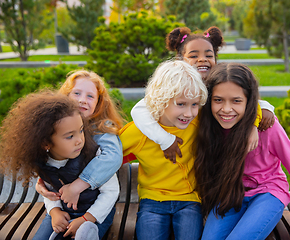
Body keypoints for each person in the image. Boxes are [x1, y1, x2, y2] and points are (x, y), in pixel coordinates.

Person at [194, 62, 290, 240]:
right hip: (230, 193)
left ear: (249, 101)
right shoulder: (208, 125)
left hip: (268, 193)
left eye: (236, 101)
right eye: (218, 100)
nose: (226, 109)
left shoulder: (267, 127)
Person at [130, 26, 274, 163]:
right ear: (180, 61)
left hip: (211, 151)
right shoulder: (175, 87)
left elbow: (245, 100)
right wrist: (165, 140)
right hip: (183, 152)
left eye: (208, 55)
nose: (202, 59)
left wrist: (264, 109)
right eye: (194, 55)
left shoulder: (218, 84)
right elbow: (139, 110)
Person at [0, 91, 119, 239]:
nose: (79, 140)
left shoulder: (93, 154)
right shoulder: (43, 162)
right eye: (70, 136)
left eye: (81, 131)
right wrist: (54, 212)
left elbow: (111, 192)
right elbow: (50, 193)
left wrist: (87, 218)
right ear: (46, 143)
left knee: (85, 233)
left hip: (96, 213)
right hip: (63, 213)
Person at [119, 60, 208, 240]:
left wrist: (266, 109)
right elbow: (107, 156)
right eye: (181, 104)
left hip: (189, 200)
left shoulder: (198, 125)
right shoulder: (139, 131)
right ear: (161, 100)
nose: (189, 113)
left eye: (194, 104)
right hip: (152, 201)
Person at [36, 70, 124, 212]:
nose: (82, 100)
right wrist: (43, 182)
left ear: (99, 103)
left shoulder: (102, 127)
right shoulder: (56, 124)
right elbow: (49, 157)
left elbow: (112, 156)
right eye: (77, 93)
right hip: (62, 202)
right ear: (66, 96)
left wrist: (77, 186)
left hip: (95, 202)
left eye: (90, 96)